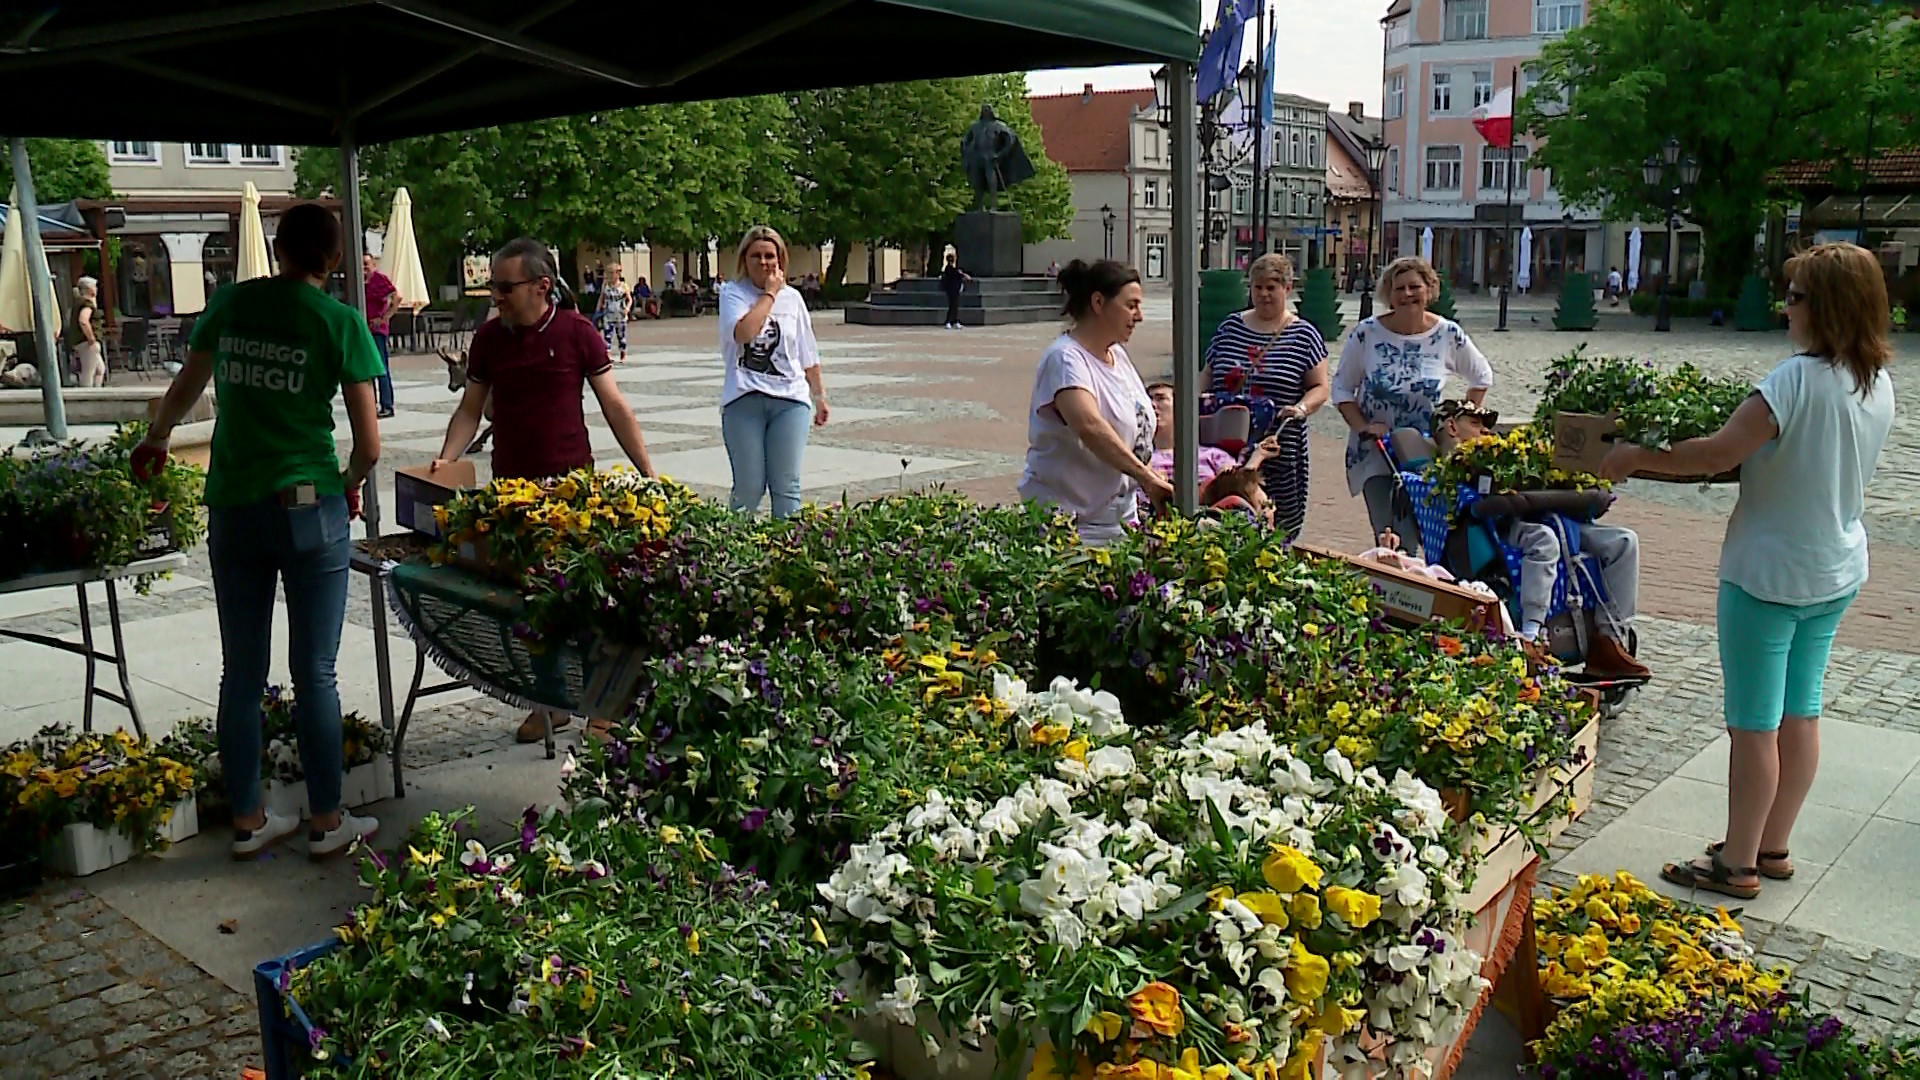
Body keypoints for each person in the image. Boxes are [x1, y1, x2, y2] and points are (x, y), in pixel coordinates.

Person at [1599, 242, 1895, 901]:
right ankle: (1773, 845)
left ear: (1826, 307)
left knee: (1754, 724)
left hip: (1768, 572)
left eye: (1795, 297)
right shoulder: (1874, 381)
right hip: (1837, 565)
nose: (1786, 309)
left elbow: (1713, 454)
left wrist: (1632, 456)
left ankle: (1736, 864)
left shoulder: (1793, 380)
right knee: (1802, 711)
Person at [133, 203, 383, 859]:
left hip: (235, 506)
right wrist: (349, 481)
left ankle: (248, 819)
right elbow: (369, 444)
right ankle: (328, 822)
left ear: (277, 250)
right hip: (309, 504)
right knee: (316, 671)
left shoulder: (231, 305)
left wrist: (158, 439)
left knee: (241, 674)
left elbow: (188, 386)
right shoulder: (340, 322)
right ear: (333, 259)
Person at [433, 237, 658, 744]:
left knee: (588, 602)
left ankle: (602, 706)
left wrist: (647, 471)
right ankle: (548, 702)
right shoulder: (490, 340)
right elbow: (471, 409)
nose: (496, 295)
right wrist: (447, 459)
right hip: (512, 490)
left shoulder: (578, 332)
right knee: (528, 605)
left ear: (541, 286)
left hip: (572, 491)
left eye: (504, 286)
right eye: (492, 285)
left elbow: (613, 405)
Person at [1402, 400, 1648, 678]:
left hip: (1547, 514)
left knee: (1624, 542)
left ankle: (1610, 640)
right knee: (1544, 540)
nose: (1485, 431)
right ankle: (1531, 635)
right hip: (1499, 526)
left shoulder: (1505, 452)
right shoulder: (1448, 471)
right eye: (1475, 423)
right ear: (1451, 426)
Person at [1332, 256, 1493, 556]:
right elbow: (1341, 387)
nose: (1407, 294)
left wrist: (1459, 427)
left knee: (1429, 536)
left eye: (1414, 287)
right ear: (1388, 295)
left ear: (1429, 290)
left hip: (1425, 452)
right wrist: (1364, 426)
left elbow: (1482, 376)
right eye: (1399, 288)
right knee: (1394, 536)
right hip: (1377, 452)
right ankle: (1393, 595)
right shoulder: (1367, 334)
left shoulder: (1446, 333)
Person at [1018, 259, 1171, 544]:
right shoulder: (1065, 359)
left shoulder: (1117, 356)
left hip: (1120, 518)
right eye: (1131, 305)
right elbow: (1089, 426)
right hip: (1071, 525)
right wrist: (1146, 477)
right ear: (1099, 302)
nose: (1139, 316)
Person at [1204, 253, 1330, 541]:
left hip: (1278, 446)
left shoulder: (1304, 335)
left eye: (1271, 287)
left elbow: (1320, 387)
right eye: (1257, 287)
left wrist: (1300, 408)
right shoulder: (1230, 327)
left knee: (1277, 524)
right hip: (1226, 446)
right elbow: (1208, 375)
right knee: (1223, 516)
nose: (1263, 294)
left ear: (1287, 288)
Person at [719, 225, 830, 519]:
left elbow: (807, 352)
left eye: (770, 255)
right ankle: (733, 555)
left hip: (790, 401)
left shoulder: (793, 299)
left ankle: (789, 555)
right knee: (748, 488)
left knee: (787, 487)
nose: (764, 262)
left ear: (781, 259)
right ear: (745, 259)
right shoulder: (733, 293)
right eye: (756, 255)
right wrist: (769, 295)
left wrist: (819, 396)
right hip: (745, 400)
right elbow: (743, 333)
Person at [362, 254, 400, 418]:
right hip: (365, 330)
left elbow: (397, 296)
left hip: (377, 330)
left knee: (381, 367)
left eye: (366, 265)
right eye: (361, 265)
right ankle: (372, 404)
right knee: (368, 369)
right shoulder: (360, 283)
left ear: (373, 265)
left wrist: (385, 317)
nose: (364, 268)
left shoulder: (379, 279)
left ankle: (387, 405)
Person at [69, 276, 106, 387]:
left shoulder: (79, 302)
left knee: (100, 369)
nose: (96, 289)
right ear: (89, 289)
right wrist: (91, 338)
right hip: (87, 343)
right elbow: (83, 320)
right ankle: (87, 396)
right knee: (88, 374)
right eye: (94, 286)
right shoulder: (86, 304)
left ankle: (97, 392)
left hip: (82, 342)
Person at [598, 266, 632, 362]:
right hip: (608, 314)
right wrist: (598, 310)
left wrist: (627, 308)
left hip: (620, 314)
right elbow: (602, 298)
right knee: (607, 336)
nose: (610, 276)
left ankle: (623, 354)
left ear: (618, 274)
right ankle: (607, 355)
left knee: (621, 335)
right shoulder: (605, 285)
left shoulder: (623, 286)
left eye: (612, 273)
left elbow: (629, 299)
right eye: (609, 273)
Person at [939, 253, 971, 330]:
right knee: (952, 306)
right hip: (951, 290)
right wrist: (964, 275)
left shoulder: (953, 269)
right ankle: (948, 321)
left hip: (955, 289)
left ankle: (954, 321)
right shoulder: (949, 269)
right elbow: (957, 274)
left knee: (955, 306)